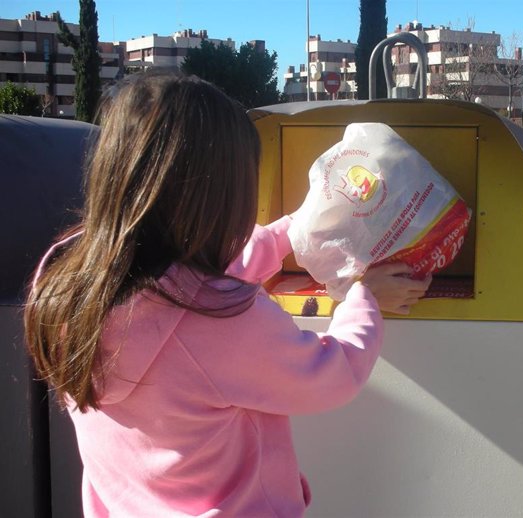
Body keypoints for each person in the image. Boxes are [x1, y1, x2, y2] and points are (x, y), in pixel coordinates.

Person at [24, 70, 430, 517]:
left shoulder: (65, 285)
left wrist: (294, 231)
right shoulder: (227, 322)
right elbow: (332, 374)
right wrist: (364, 297)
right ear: (221, 199)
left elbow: (181, 280)